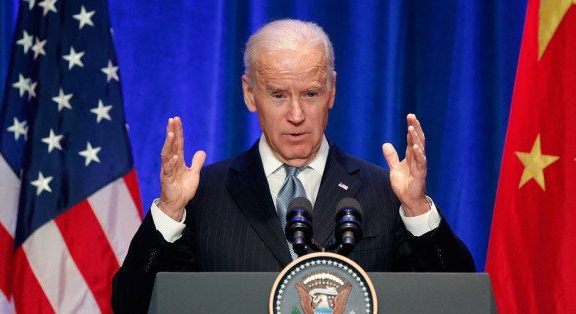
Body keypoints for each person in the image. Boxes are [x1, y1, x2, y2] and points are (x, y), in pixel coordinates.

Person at [112, 19, 475, 313]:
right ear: (249, 93)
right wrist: (170, 214)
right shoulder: (205, 195)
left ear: (331, 91)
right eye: (278, 95)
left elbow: (461, 300)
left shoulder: (384, 191)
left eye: (311, 94)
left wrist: (417, 212)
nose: (296, 115)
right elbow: (132, 305)